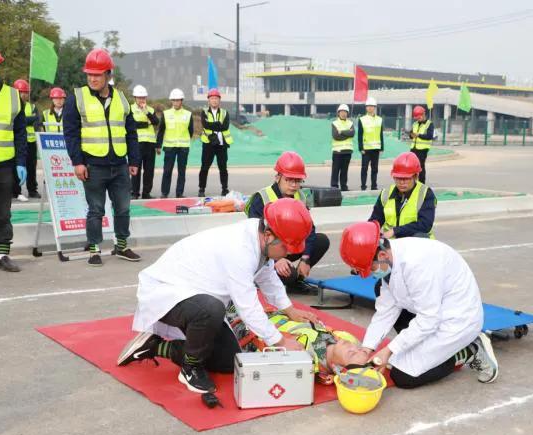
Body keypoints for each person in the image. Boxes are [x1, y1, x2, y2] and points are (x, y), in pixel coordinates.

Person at [120, 198, 319, 394]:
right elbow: (247, 306)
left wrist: (290, 311)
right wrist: (281, 343)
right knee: (211, 309)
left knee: (228, 360)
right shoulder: (240, 249)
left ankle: (156, 346)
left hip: (197, 295)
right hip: (166, 291)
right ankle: (190, 369)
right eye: (285, 247)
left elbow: (267, 276)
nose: (286, 254)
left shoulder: (261, 239)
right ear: (268, 235)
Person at [339, 221, 499, 388]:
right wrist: (367, 348)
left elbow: (429, 319)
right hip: (432, 309)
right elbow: (386, 310)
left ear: (382, 256)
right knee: (395, 355)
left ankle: (469, 350)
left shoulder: (419, 264)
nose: (371, 273)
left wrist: (389, 350)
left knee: (403, 376)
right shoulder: (390, 258)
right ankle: (427, 348)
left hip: (457, 319)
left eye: (370, 269)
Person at [120, 303, 369, 386]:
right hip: (253, 314)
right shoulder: (344, 337)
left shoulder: (308, 364)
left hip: (242, 332)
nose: (355, 349)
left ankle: (155, 347)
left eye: (353, 356)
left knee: (220, 361)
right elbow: (369, 355)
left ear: (338, 370)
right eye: (359, 350)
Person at [63, 48, 142, 266]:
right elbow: (70, 133)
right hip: (93, 165)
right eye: (89, 74)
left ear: (108, 74)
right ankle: (94, 249)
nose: (92, 78)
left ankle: (122, 245)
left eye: (97, 74)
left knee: (124, 208)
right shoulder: (76, 98)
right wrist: (77, 162)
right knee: (95, 210)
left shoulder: (122, 99)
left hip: (119, 164)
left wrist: (134, 161)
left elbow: (131, 132)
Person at [245, 151, 330, 294]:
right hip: (265, 252)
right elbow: (256, 236)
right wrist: (276, 259)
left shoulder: (300, 196)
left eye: (297, 181)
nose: (293, 185)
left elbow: (309, 229)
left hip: (286, 247)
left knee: (321, 241)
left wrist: (306, 258)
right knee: (288, 275)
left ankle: (296, 282)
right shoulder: (262, 198)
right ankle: (259, 277)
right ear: (278, 177)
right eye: (289, 180)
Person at [0, 42, 27, 272]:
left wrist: (21, 162)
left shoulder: (13, 97)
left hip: (3, 165)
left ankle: (2, 255)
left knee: (3, 213)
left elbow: (20, 132)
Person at [369, 152, 436, 239]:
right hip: (392, 246)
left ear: (415, 176)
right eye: (398, 178)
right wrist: (368, 231)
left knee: (420, 235)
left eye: (406, 178)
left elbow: (425, 225)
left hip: (416, 245)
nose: (401, 182)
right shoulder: (386, 194)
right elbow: (375, 220)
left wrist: (395, 231)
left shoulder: (425, 193)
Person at [156, 88, 192, 198]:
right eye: (174, 100)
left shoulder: (188, 114)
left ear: (182, 101)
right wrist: (158, 145)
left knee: (182, 172)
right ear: (171, 101)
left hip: (183, 147)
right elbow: (161, 130)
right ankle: (164, 192)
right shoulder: (166, 114)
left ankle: (179, 193)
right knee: (167, 171)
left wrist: (184, 139)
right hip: (169, 147)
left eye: (178, 100)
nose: (176, 102)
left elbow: (190, 131)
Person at [198, 88, 232, 197]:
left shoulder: (225, 113)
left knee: (223, 167)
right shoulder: (204, 112)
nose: (214, 100)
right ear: (208, 100)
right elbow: (205, 125)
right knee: (204, 167)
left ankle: (224, 189)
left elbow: (225, 126)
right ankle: (201, 189)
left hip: (222, 144)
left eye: (216, 98)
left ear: (219, 100)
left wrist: (214, 124)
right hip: (208, 143)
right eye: (212, 98)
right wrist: (218, 125)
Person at [12, 79, 40, 200]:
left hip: (31, 142)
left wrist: (28, 121)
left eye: (25, 92)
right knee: (16, 166)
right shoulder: (12, 106)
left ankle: (32, 190)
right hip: (17, 142)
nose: (23, 94)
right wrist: (28, 120)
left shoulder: (32, 106)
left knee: (31, 167)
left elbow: (37, 120)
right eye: (21, 92)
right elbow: (17, 122)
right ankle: (16, 191)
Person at [129, 85, 158, 199]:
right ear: (135, 98)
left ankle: (146, 193)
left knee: (149, 170)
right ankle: (134, 193)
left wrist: (146, 112)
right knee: (136, 168)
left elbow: (156, 121)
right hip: (137, 143)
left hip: (150, 143)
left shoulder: (150, 109)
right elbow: (133, 124)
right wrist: (146, 124)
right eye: (139, 98)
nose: (142, 100)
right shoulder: (130, 109)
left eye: (143, 97)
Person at [357, 97, 383, 191]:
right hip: (366, 149)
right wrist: (361, 148)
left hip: (376, 148)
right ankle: (363, 186)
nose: (370, 108)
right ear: (366, 108)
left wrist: (382, 147)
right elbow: (359, 134)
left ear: (375, 107)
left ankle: (374, 186)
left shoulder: (380, 119)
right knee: (364, 168)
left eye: (372, 106)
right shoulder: (362, 119)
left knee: (375, 169)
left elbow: (380, 134)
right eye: (368, 106)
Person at [330, 103, 354, 191]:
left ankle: (344, 186)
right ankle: (334, 187)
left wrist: (341, 132)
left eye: (345, 112)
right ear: (338, 113)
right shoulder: (335, 123)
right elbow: (336, 136)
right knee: (335, 170)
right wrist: (347, 132)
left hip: (348, 151)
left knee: (344, 171)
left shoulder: (350, 123)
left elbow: (352, 133)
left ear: (347, 113)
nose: (343, 113)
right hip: (337, 151)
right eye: (342, 112)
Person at [409, 105, 433, 183]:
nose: (418, 119)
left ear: (423, 115)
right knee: (412, 167)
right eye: (416, 118)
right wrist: (411, 135)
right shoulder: (415, 124)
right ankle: (413, 182)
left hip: (423, 149)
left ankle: (422, 183)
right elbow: (411, 134)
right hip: (413, 148)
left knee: (420, 167)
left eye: (419, 117)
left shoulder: (429, 124)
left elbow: (429, 136)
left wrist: (419, 135)